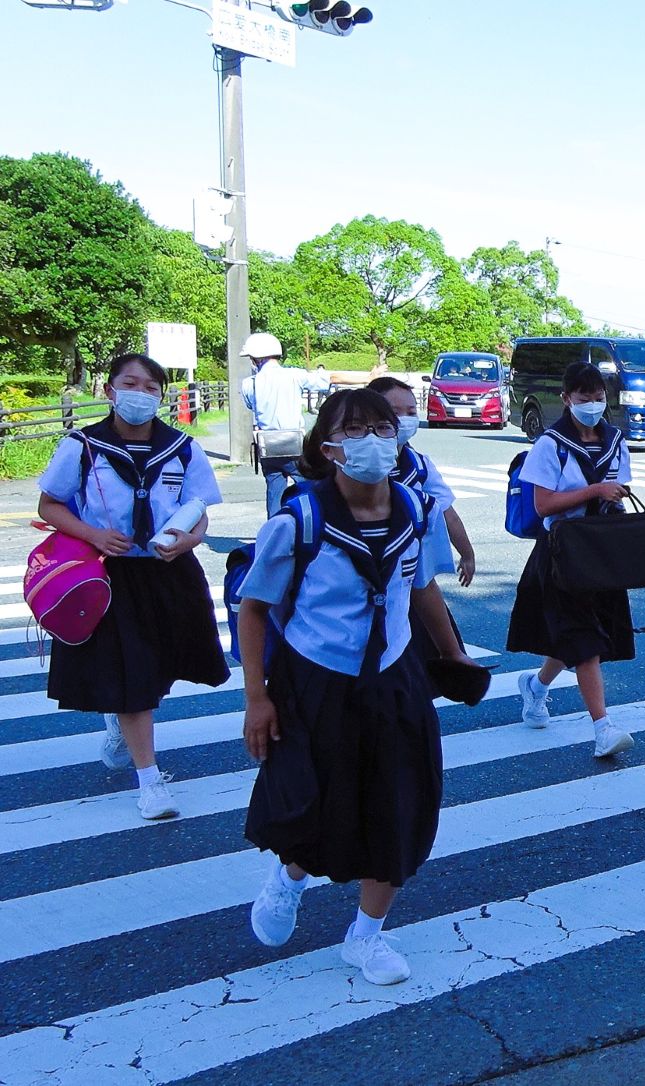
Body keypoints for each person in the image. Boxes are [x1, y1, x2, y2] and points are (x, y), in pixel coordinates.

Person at [237, 388, 473, 986]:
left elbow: (420, 588)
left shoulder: (415, 510)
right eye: (357, 431)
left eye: (382, 428)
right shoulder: (298, 521)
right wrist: (258, 700)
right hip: (315, 680)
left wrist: (452, 655)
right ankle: (289, 879)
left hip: (394, 678)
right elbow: (255, 610)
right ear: (330, 447)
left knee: (401, 807)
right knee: (312, 803)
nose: (373, 441)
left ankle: (365, 937)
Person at [35, 353, 229, 820]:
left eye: (151, 388)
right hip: (109, 575)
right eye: (130, 384)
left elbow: (199, 509)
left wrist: (190, 540)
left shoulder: (182, 447)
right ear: (109, 390)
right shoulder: (82, 446)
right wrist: (94, 534)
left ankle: (122, 723)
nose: (140, 395)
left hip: (167, 573)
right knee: (133, 674)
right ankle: (150, 782)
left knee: (158, 667)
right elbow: (50, 505)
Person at [505, 362, 637, 759]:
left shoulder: (616, 441)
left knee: (580, 636)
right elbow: (543, 503)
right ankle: (602, 728)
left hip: (601, 551)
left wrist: (612, 496)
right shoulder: (550, 444)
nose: (593, 405)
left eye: (599, 398)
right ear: (566, 399)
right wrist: (594, 489)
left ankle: (537, 686)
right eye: (584, 398)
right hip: (562, 552)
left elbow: (622, 489)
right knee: (584, 639)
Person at [365, 376, 478, 588]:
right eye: (395, 411)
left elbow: (447, 512)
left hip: (410, 574)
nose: (404, 419)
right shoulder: (351, 464)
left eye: (411, 412)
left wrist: (467, 554)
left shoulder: (419, 466)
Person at [239, 333, 306, 509]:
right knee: (307, 489)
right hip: (294, 443)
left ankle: (275, 531)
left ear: (256, 358)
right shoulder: (295, 375)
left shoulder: (249, 383)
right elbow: (328, 380)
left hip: (268, 445)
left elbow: (250, 405)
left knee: (274, 491)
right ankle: (307, 526)